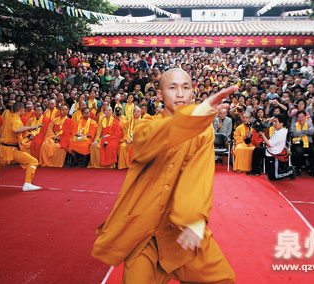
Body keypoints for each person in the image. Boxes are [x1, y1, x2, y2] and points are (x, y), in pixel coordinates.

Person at [91, 68, 236, 284]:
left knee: (223, 280)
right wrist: (199, 113)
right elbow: (164, 133)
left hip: (180, 231)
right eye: (172, 87)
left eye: (185, 88)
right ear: (159, 95)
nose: (180, 94)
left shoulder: (204, 132)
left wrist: (195, 222)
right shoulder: (145, 126)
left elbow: (200, 175)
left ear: (192, 93)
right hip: (143, 233)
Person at [0, 102, 42, 191]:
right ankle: (27, 184)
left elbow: (16, 131)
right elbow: (16, 130)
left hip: (2, 147)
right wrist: (31, 127)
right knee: (33, 161)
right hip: (11, 149)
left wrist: (29, 135)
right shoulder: (16, 120)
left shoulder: (8, 118)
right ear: (21, 110)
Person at [248, 114, 295, 180]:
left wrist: (262, 134)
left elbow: (269, 144)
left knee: (273, 177)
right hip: (269, 150)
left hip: (275, 155)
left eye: (276, 122)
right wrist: (269, 120)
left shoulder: (281, 133)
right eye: (274, 121)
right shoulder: (279, 128)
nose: (274, 123)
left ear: (281, 123)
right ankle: (255, 171)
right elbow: (272, 119)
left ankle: (290, 171)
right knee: (257, 150)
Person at [290, 110, 314, 177]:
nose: (301, 119)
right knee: (299, 152)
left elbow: (312, 131)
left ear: (305, 117)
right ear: (297, 118)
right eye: (299, 117)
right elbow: (294, 134)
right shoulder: (294, 125)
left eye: (302, 117)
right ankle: (298, 169)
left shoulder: (309, 124)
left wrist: (301, 132)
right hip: (298, 143)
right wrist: (306, 132)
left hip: (308, 143)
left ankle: (312, 169)